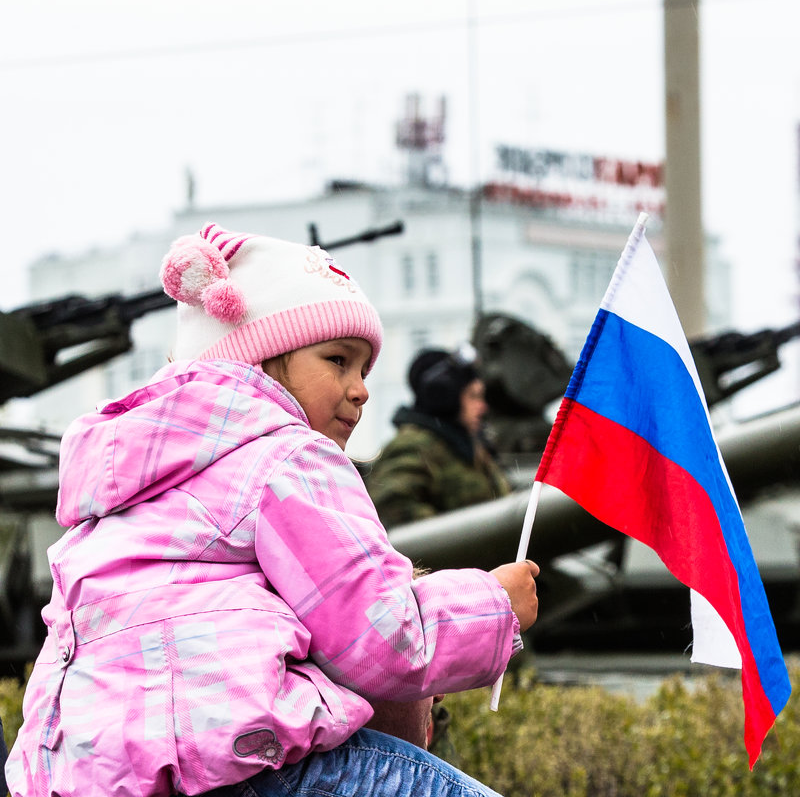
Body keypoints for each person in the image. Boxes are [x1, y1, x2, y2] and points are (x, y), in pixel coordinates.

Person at [5, 222, 539, 797]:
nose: (361, 390)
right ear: (259, 361)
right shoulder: (287, 457)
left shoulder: (126, 482)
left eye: (364, 370)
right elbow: (380, 636)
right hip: (251, 767)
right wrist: (494, 606)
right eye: (338, 360)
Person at [366, 345, 512, 528]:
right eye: (473, 396)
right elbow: (391, 507)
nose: (482, 407)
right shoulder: (414, 446)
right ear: (444, 397)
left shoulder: (467, 445)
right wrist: (463, 537)